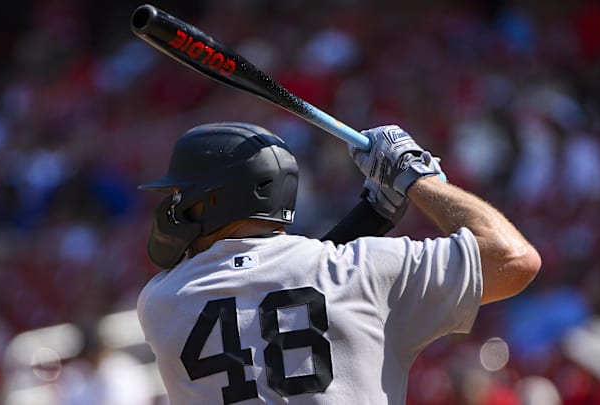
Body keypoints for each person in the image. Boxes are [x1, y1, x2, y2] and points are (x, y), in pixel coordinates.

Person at [136, 122, 541, 405]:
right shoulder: (363, 271)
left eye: (180, 193)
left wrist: (372, 215)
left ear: (213, 200)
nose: (173, 204)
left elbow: (278, 286)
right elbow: (514, 260)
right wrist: (416, 178)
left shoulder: (163, 301)